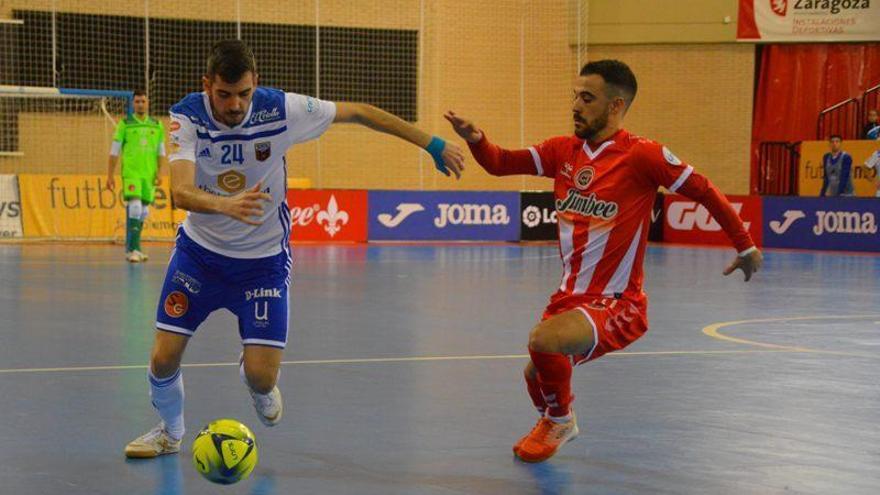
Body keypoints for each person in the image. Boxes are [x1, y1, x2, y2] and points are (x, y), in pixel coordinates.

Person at [124, 39, 465, 458]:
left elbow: (358, 111)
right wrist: (226, 205)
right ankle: (170, 432)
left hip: (262, 264)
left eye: (244, 94)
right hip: (200, 256)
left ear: (256, 85)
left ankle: (257, 379)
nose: (235, 105)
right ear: (207, 85)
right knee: (162, 359)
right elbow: (179, 190)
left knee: (263, 379)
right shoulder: (186, 116)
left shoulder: (280, 109)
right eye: (224, 94)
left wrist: (430, 143)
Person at [445, 59, 762, 463]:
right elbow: (501, 163)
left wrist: (745, 245)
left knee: (543, 341)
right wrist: (476, 139)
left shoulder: (643, 155)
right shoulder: (563, 150)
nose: (576, 105)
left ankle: (560, 421)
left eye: (587, 98)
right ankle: (554, 419)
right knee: (534, 373)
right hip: (567, 298)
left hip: (618, 304)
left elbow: (705, 190)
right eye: (575, 96)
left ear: (615, 106)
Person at [107, 90, 166, 262]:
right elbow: (114, 151)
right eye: (137, 101)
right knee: (134, 207)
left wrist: (160, 172)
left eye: (143, 101)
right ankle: (131, 249)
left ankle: (136, 248)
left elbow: (161, 151)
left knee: (144, 211)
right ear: (133, 104)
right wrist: (110, 175)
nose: (140, 104)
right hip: (131, 173)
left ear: (148, 103)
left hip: (149, 175)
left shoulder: (157, 125)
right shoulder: (125, 124)